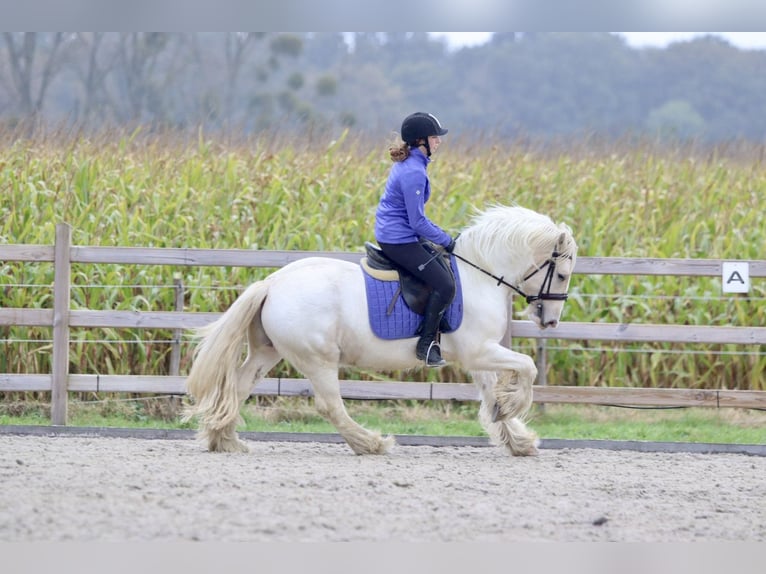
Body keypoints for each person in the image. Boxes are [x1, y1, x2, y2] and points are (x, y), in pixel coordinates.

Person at [374, 112, 457, 367]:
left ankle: (434, 322)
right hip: (399, 239)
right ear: (421, 141)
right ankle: (426, 345)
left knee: (443, 267)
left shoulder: (413, 163)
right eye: (435, 137)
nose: (439, 142)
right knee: (445, 286)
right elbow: (417, 221)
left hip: (402, 234)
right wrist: (447, 240)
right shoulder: (413, 172)